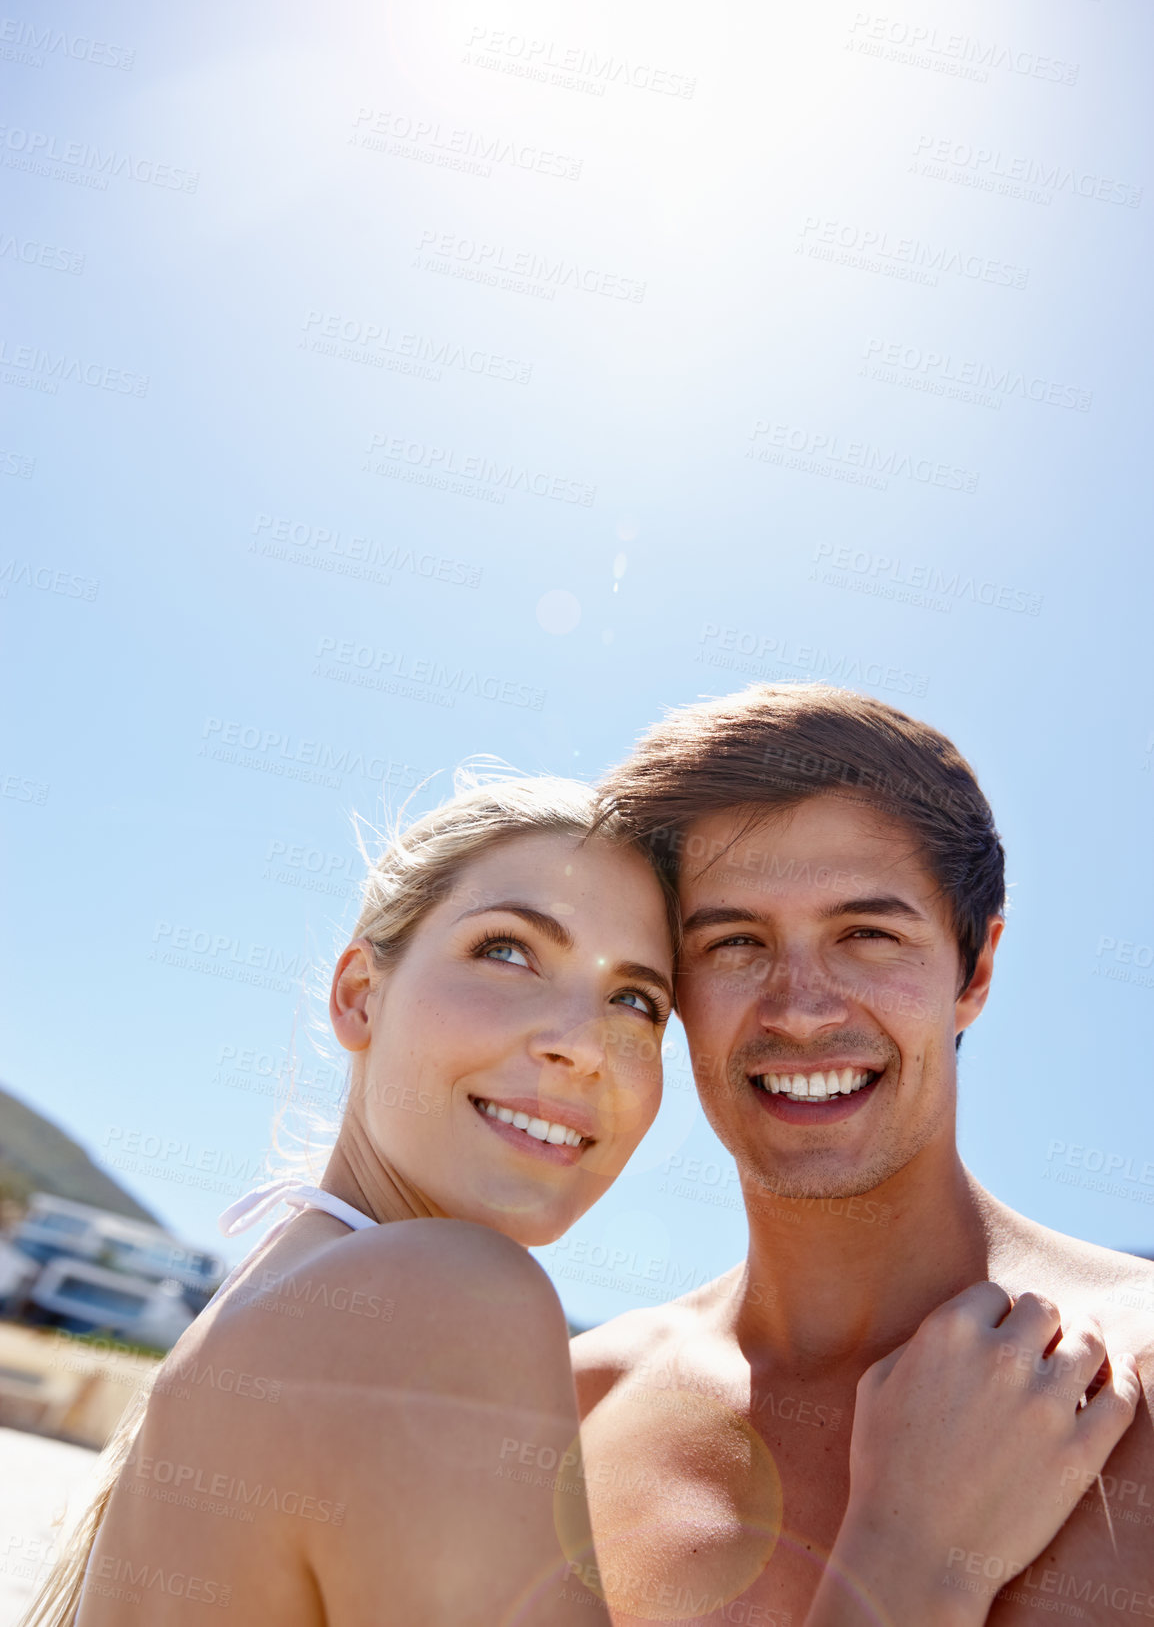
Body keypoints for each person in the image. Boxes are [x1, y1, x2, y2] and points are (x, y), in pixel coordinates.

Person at [25, 773, 1138, 1627]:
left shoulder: (297, 1302)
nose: (575, 1045)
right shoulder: (440, 1299)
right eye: (509, 949)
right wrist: (909, 1561)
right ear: (360, 992)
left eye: (633, 1000)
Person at [575, 684, 1154, 1627]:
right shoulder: (576, 1412)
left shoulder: (1136, 1369)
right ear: (671, 989)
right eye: (732, 943)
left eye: (867, 934)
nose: (800, 1007)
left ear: (974, 972)